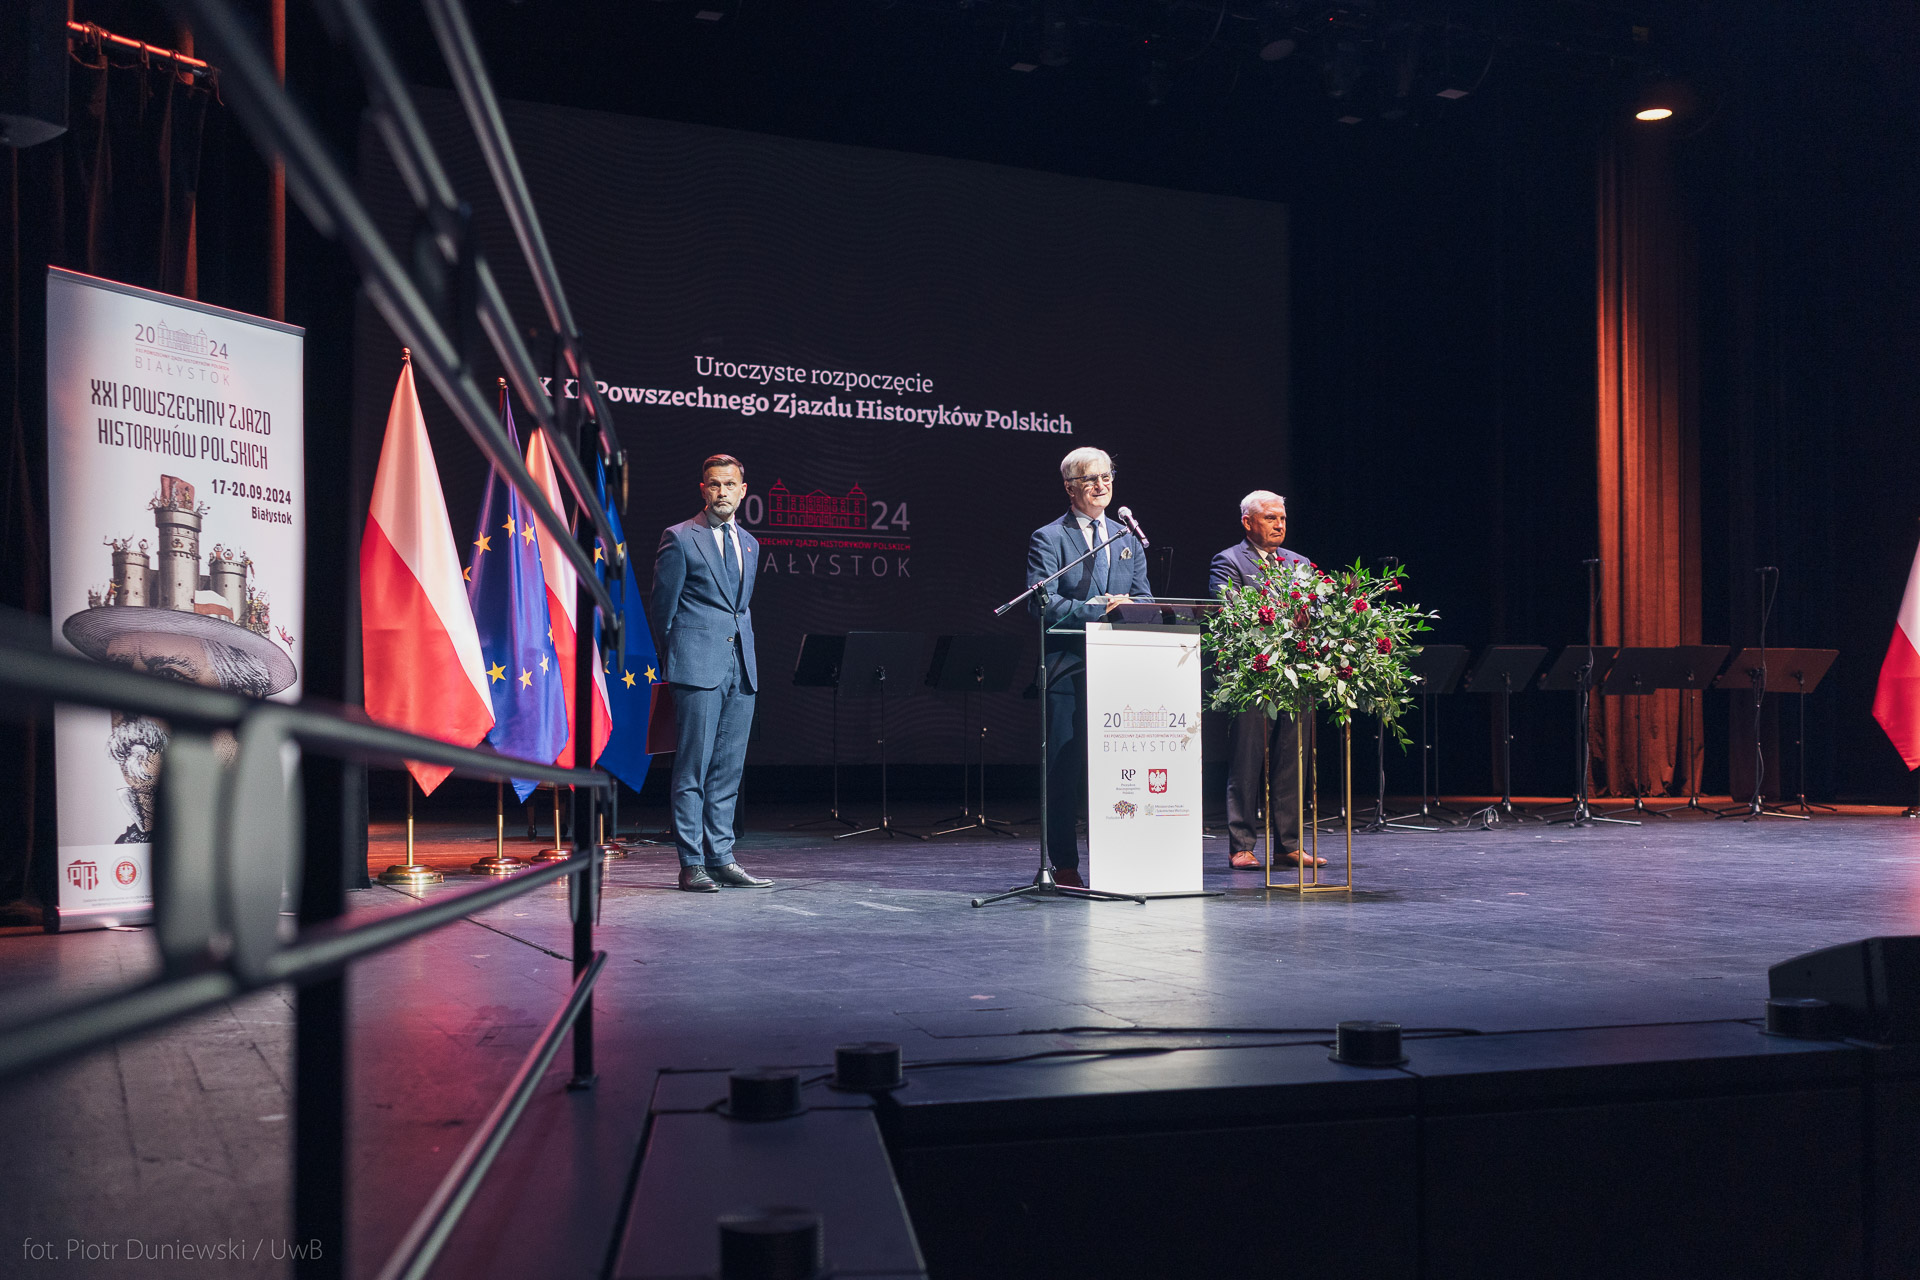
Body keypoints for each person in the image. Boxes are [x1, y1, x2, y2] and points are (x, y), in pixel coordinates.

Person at [1027, 446, 1153, 888]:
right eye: (1090, 479)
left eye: (1107, 477)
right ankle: (1064, 863)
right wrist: (1097, 609)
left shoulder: (1125, 536)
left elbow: (1145, 597)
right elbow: (1043, 602)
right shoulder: (1049, 537)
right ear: (1070, 488)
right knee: (1065, 769)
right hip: (1066, 665)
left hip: (1116, 667)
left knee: (1118, 769)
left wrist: (1131, 606)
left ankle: (1121, 856)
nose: (1102, 486)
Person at [651, 454, 773, 892]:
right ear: (703, 490)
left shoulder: (750, 543)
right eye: (714, 484)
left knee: (728, 771)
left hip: (741, 667)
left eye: (730, 484)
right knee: (693, 769)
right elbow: (662, 610)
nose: (722, 492)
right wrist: (679, 659)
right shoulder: (680, 537)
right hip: (696, 666)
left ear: (743, 491)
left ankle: (721, 857)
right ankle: (691, 862)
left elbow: (740, 609)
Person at [1208, 490, 1323, 869]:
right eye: (1270, 518)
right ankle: (1241, 845)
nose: (1279, 525)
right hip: (1252, 677)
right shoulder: (1228, 561)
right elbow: (1229, 613)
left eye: (1283, 519)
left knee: (1293, 761)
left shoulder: (1298, 563)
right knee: (1247, 761)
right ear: (1248, 522)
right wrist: (1286, 617)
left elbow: (1316, 612)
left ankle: (1289, 844)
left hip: (1295, 675)